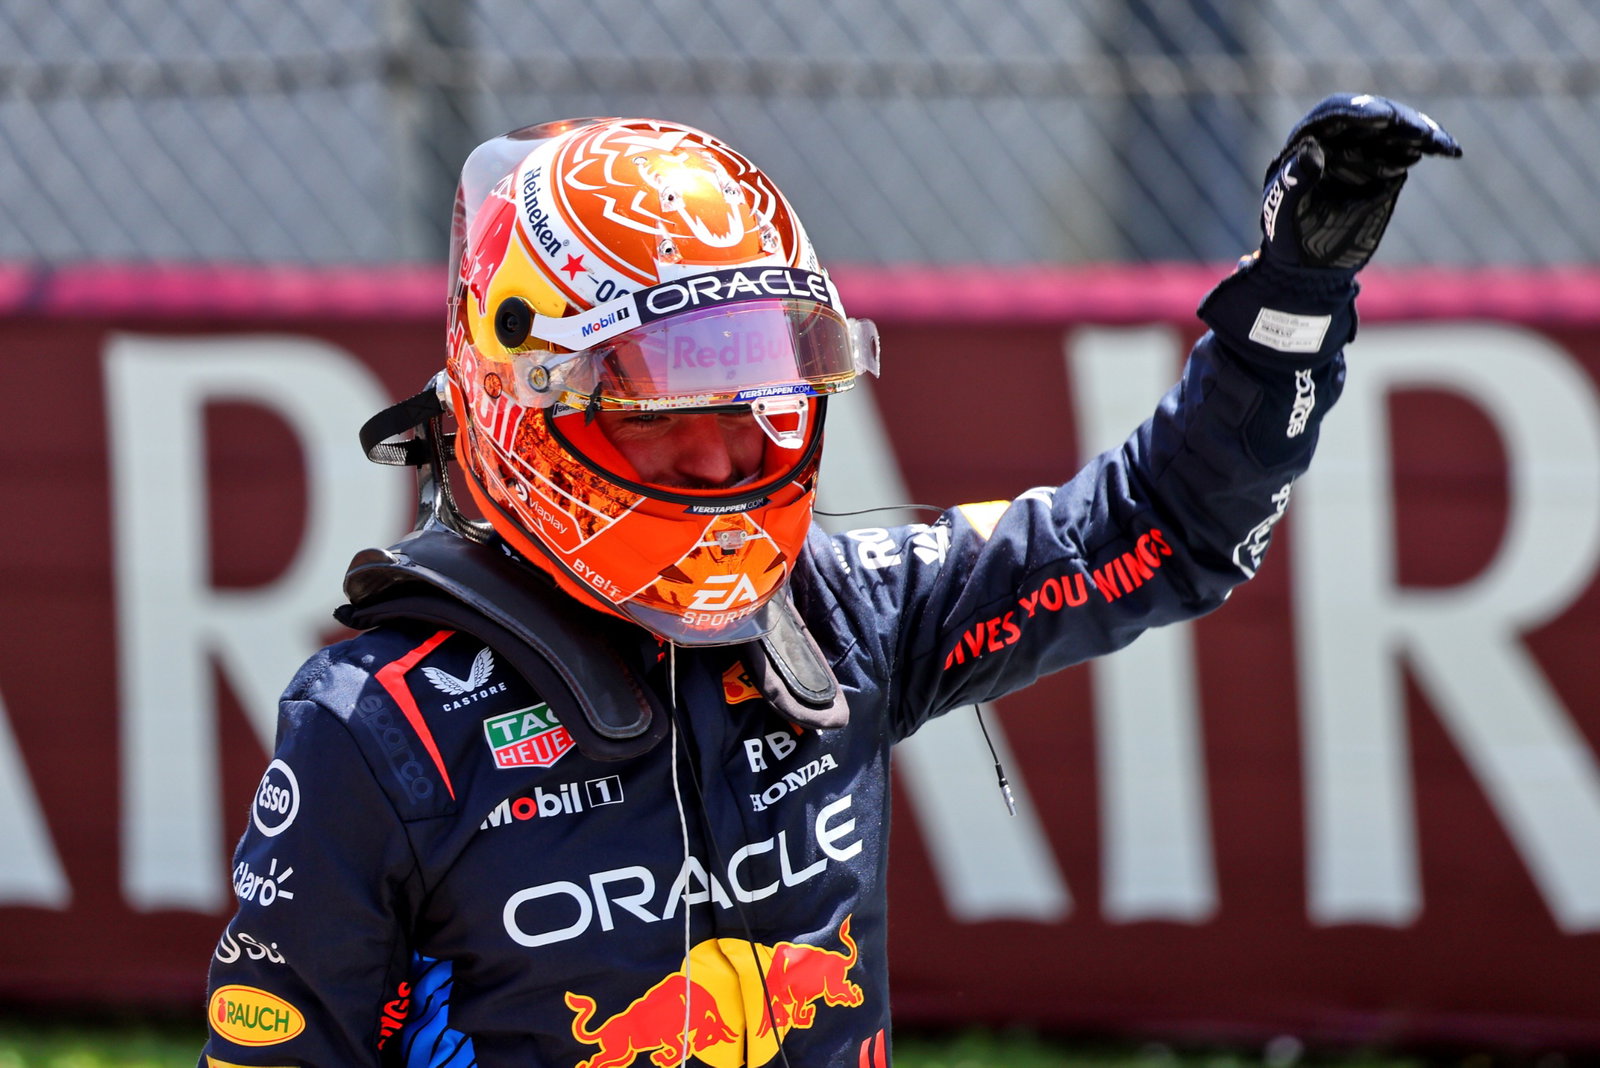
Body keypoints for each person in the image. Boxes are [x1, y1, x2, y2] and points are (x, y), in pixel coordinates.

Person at [201, 96, 1459, 1068]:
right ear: (526, 406)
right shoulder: (376, 726)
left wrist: (1292, 301)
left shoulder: (841, 612)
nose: (721, 454)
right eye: (659, 410)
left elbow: (1163, 529)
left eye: (754, 399)